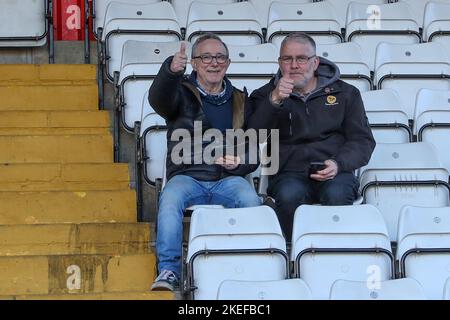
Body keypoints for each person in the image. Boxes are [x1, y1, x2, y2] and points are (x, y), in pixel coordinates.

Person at [149, 34, 261, 291]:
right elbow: (158, 99)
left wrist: (240, 164)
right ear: (194, 63)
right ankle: (169, 270)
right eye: (206, 57)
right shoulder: (180, 95)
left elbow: (253, 148)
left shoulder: (241, 100)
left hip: (228, 178)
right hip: (187, 175)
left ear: (228, 63)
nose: (214, 63)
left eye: (220, 57)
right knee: (169, 201)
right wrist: (170, 71)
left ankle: (250, 264)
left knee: (251, 201)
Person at [248, 32, 375, 240]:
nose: (294, 65)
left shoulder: (346, 93)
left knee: (337, 195)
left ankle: (335, 251)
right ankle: (294, 254)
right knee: (289, 196)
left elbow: (362, 140)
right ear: (280, 63)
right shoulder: (265, 95)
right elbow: (253, 136)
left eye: (302, 58)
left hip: (335, 170)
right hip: (288, 173)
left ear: (315, 62)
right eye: (287, 59)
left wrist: (338, 163)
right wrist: (275, 101)